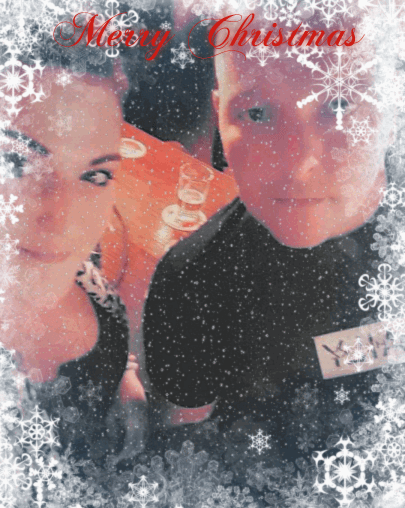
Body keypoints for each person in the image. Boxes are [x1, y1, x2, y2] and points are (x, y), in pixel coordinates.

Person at [143, 6, 402, 462]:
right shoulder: (193, 284)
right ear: (219, 115)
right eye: (257, 112)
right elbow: (186, 446)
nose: (298, 166)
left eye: (339, 105)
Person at [0, 18, 146, 463]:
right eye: (17, 163)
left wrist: (124, 384)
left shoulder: (94, 290)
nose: (61, 219)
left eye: (94, 175)